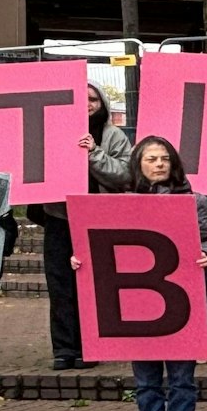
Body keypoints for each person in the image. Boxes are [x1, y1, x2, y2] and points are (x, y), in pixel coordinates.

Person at [70, 136, 207, 411]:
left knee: (181, 379)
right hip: (137, 303)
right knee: (147, 380)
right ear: (138, 164)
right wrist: (80, 260)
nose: (159, 164)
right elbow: (100, 245)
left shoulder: (194, 201)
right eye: (151, 159)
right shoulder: (120, 202)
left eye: (165, 158)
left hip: (180, 303)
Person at [34, 82, 132, 370]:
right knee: (60, 286)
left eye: (93, 99)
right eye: (82, 99)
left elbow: (126, 175)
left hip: (98, 219)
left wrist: (94, 153)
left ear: (102, 103)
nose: (88, 104)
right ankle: (64, 349)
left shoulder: (114, 136)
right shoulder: (51, 133)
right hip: (60, 217)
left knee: (93, 284)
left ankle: (90, 347)